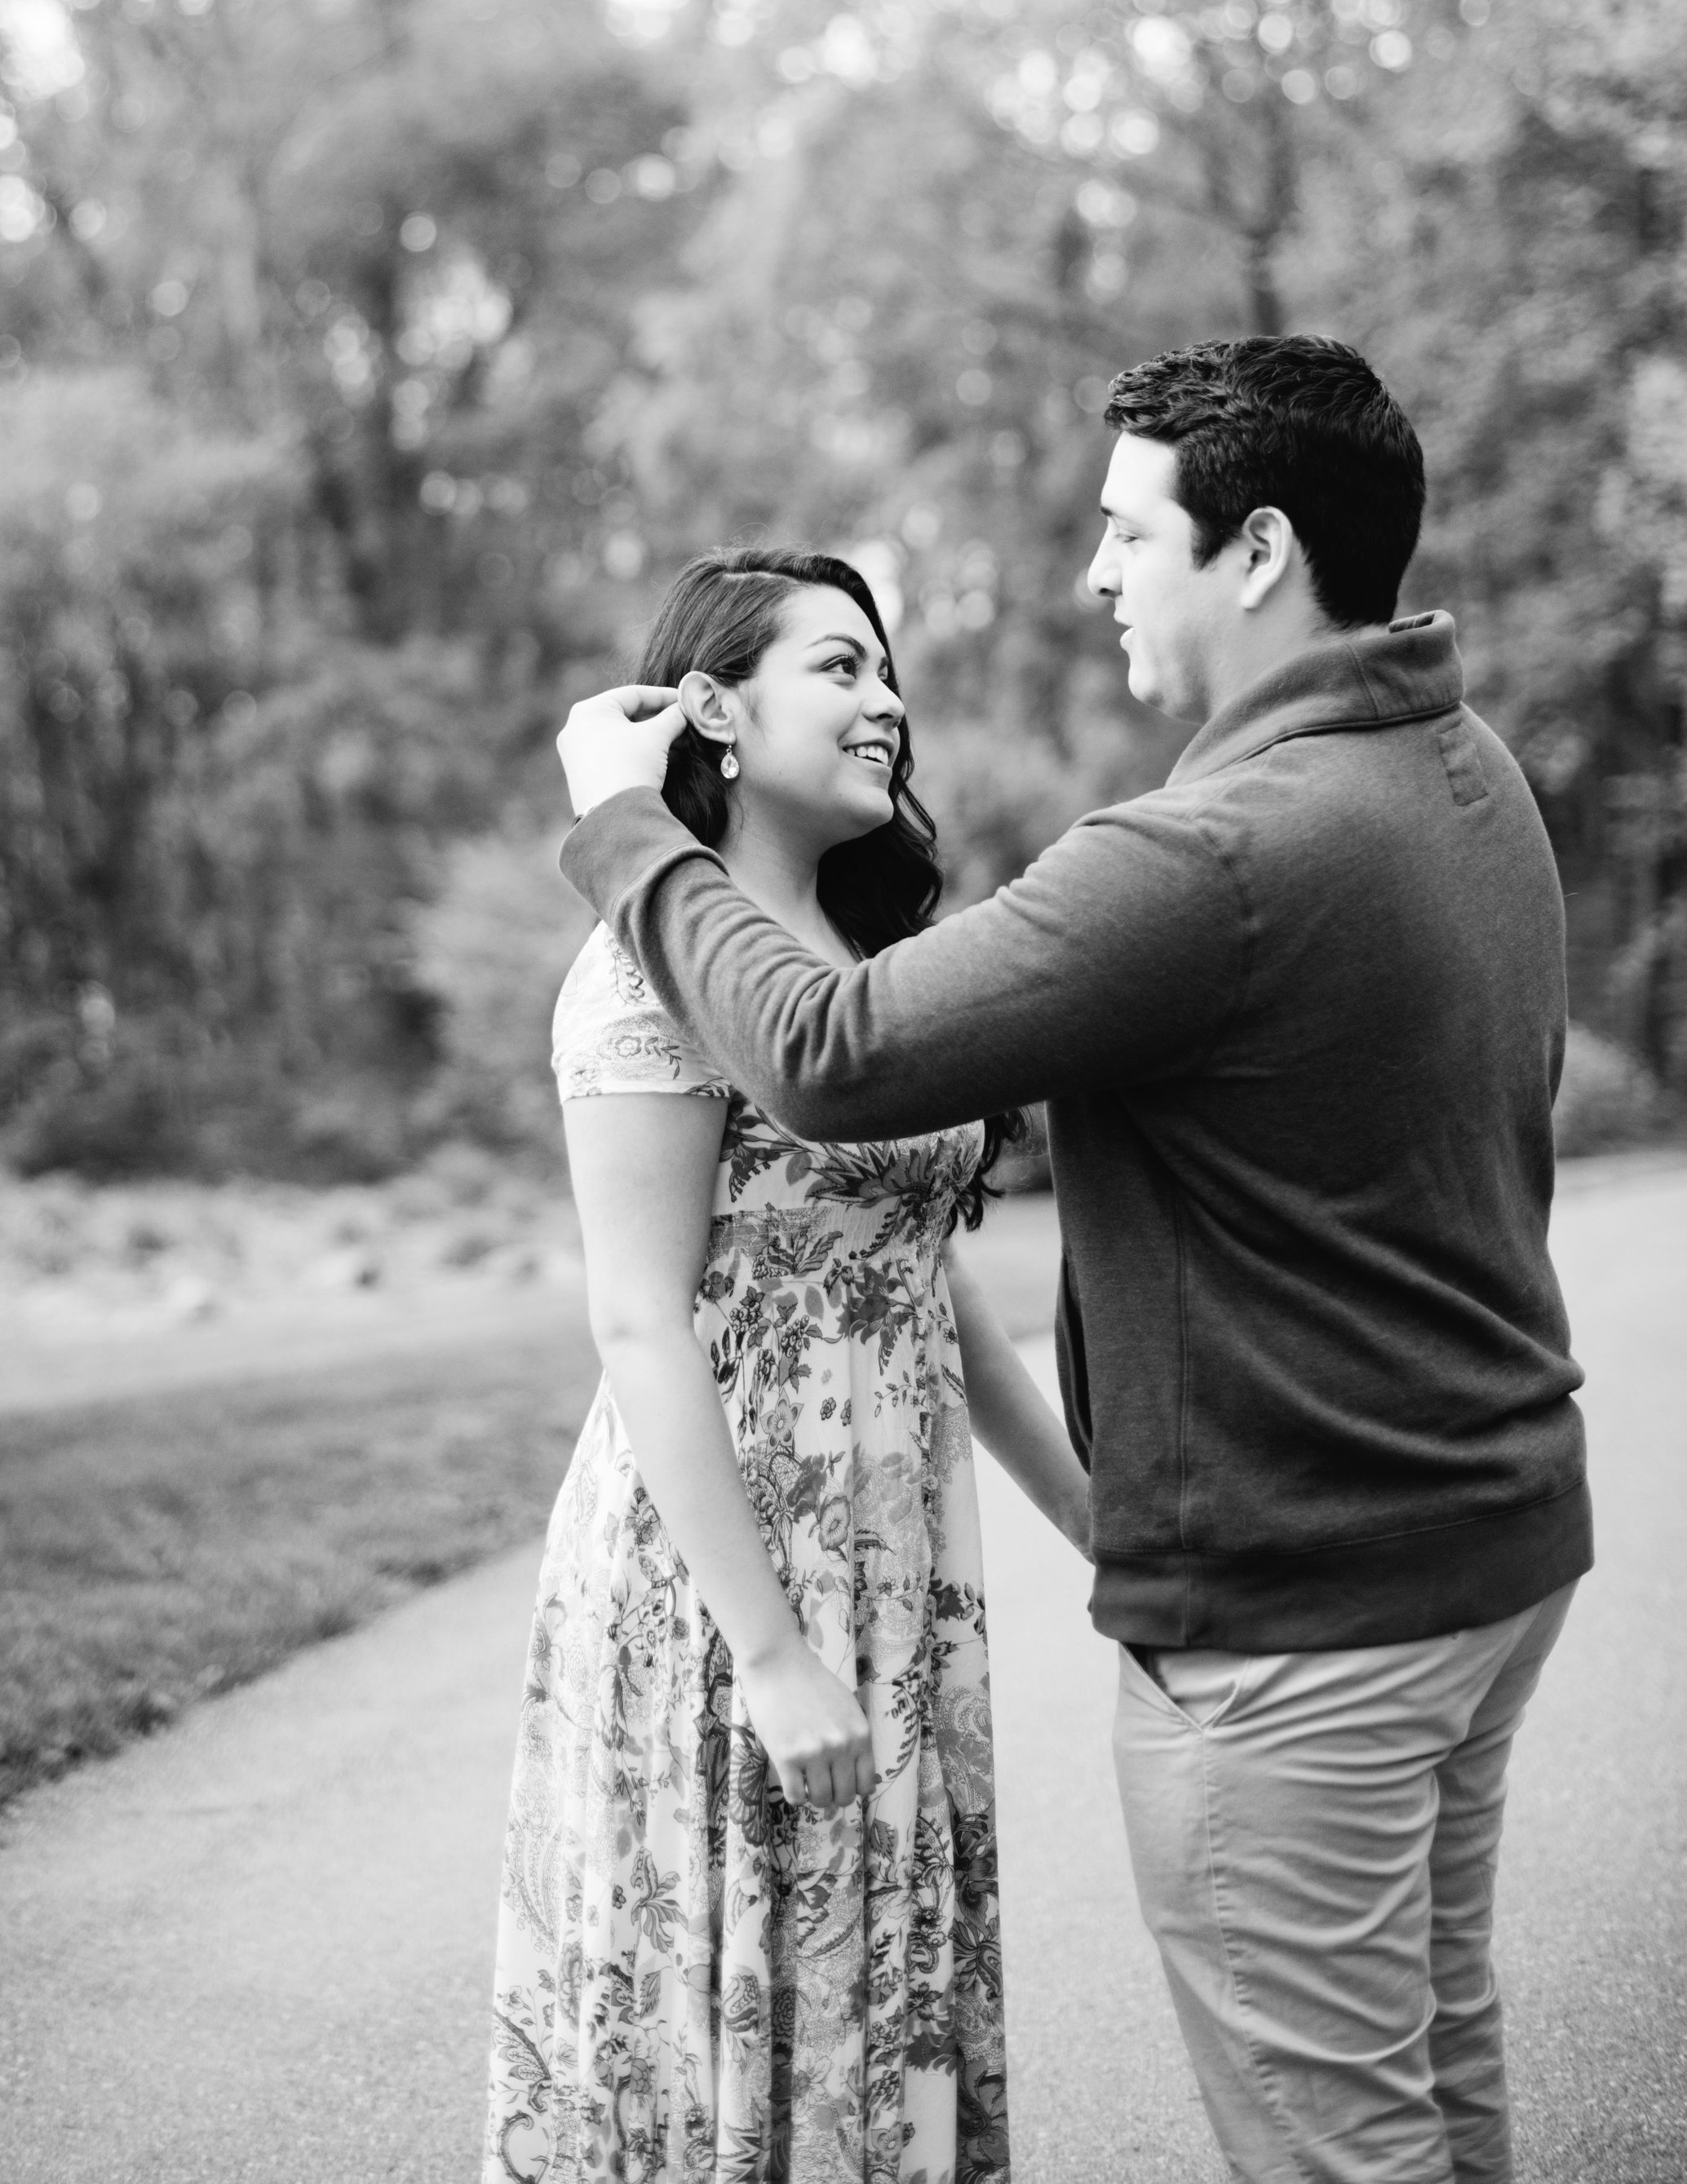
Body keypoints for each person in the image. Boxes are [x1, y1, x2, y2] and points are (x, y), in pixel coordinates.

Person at [554, 340, 1590, 2184]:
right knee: (1431, 2090)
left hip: (1304, 1615)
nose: (1093, 574)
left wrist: (623, 828)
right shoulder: (1464, 767)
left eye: (1126, 533)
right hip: (1476, 1547)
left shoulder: (1212, 854)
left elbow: (833, 1057)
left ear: (1254, 548)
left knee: (1339, 2144)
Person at [483, 546, 1091, 2184]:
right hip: (722, 1577)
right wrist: (764, 1648)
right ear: (713, 713)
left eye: (885, 666)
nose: (884, 697)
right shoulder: (640, 969)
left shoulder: (864, 972)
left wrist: (1090, 1519)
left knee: (871, 2004)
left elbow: (919, 1277)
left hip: (897, 1569)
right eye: (836, 664)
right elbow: (636, 1321)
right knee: (740, 2003)